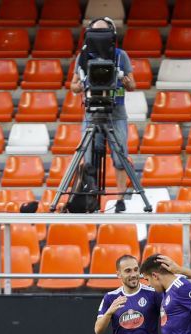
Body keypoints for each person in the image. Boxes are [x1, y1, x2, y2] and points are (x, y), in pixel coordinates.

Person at [70, 17, 136, 212]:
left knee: (120, 156)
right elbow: (73, 86)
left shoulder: (120, 56)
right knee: (88, 158)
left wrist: (122, 78)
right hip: (91, 114)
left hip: (116, 113)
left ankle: (121, 200)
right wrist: (81, 84)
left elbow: (133, 85)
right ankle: (89, 197)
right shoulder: (82, 57)